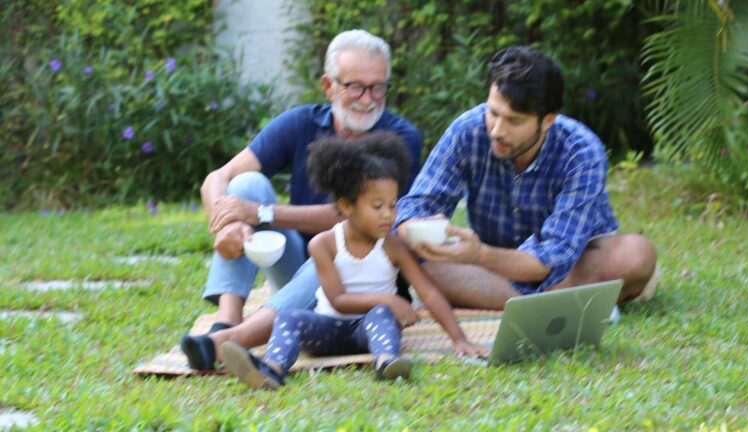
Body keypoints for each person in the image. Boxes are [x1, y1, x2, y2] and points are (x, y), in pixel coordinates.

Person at [180, 30, 423, 370]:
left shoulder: (399, 138)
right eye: (355, 85)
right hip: (298, 272)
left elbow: (351, 218)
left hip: (360, 281)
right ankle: (227, 318)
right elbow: (216, 178)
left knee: (326, 252)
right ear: (328, 86)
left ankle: (226, 342)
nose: (368, 98)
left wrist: (262, 212)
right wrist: (227, 223)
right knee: (246, 183)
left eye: (378, 86)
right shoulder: (302, 122)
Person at [395, 46, 659, 310]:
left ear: (547, 120)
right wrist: (413, 228)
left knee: (635, 254)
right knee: (417, 262)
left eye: (514, 121)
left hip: (571, 263)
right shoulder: (468, 130)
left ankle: (530, 298)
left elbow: (555, 257)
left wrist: (480, 255)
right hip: (492, 264)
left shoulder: (582, 151)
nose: (497, 130)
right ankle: (573, 300)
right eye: (494, 113)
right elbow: (413, 207)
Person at [217, 132, 488, 389]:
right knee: (287, 317)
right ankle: (271, 369)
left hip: (371, 333)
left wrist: (459, 338)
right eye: (377, 206)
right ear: (347, 206)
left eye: (393, 205)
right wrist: (390, 299)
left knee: (382, 315)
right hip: (327, 330)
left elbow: (427, 291)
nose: (388, 215)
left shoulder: (393, 246)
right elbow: (338, 300)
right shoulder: (324, 244)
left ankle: (387, 362)